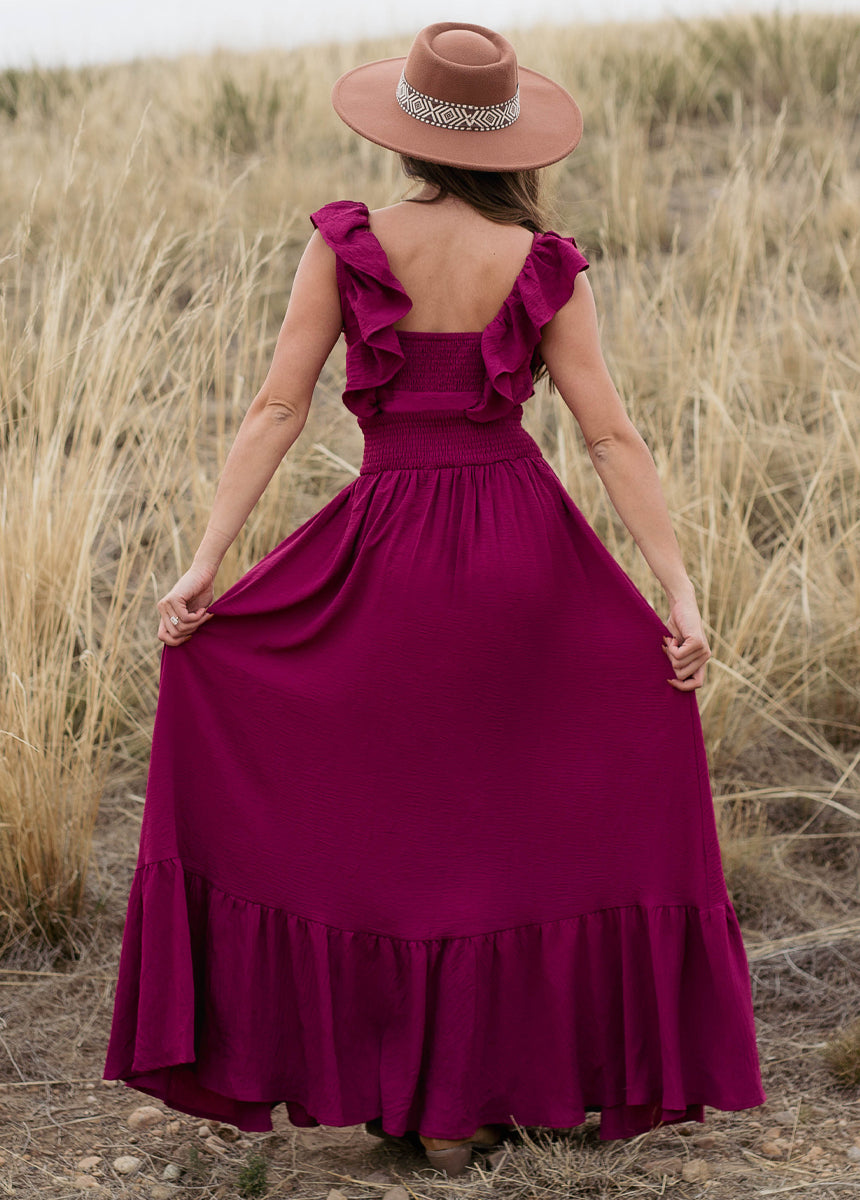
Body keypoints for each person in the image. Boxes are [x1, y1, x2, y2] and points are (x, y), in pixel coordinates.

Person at [103, 22, 766, 1180]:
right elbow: (609, 436)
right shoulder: (539, 261)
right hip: (522, 552)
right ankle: (470, 1102)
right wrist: (675, 592)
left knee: (396, 825)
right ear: (509, 142)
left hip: (387, 549)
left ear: (406, 134)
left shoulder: (349, 244)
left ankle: (414, 1098)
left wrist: (207, 562)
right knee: (506, 823)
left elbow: (275, 410)